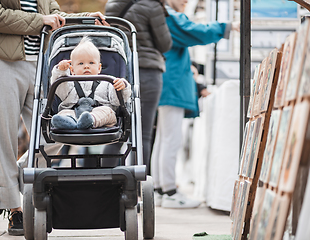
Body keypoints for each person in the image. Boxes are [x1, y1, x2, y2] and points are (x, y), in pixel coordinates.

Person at [0, 0, 106, 236]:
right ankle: (14, 208)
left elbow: (53, 15)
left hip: (37, 64)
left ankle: (3, 187)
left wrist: (85, 16)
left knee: (52, 135)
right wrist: (39, 21)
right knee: (6, 137)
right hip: (2, 62)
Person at [151, 0, 240, 209]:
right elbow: (193, 31)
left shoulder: (162, 15)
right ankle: (169, 191)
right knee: (171, 139)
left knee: (164, 139)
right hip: (171, 83)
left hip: (165, 81)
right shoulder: (170, 16)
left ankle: (159, 189)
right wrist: (226, 26)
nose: (186, 1)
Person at [105, 0, 173, 174]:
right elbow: (165, 44)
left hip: (119, 73)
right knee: (143, 134)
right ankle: (137, 186)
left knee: (116, 131)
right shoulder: (152, 6)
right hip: (147, 72)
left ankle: (103, 182)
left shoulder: (112, 4)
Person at [50, 37, 131, 130]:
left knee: (107, 112)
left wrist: (122, 87)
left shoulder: (107, 82)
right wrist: (61, 72)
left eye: (91, 63)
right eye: (81, 63)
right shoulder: (69, 82)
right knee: (63, 113)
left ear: (99, 68)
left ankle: (90, 120)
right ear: (72, 69)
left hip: (100, 112)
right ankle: (69, 122)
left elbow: (116, 101)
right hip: (73, 111)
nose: (86, 66)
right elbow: (59, 89)